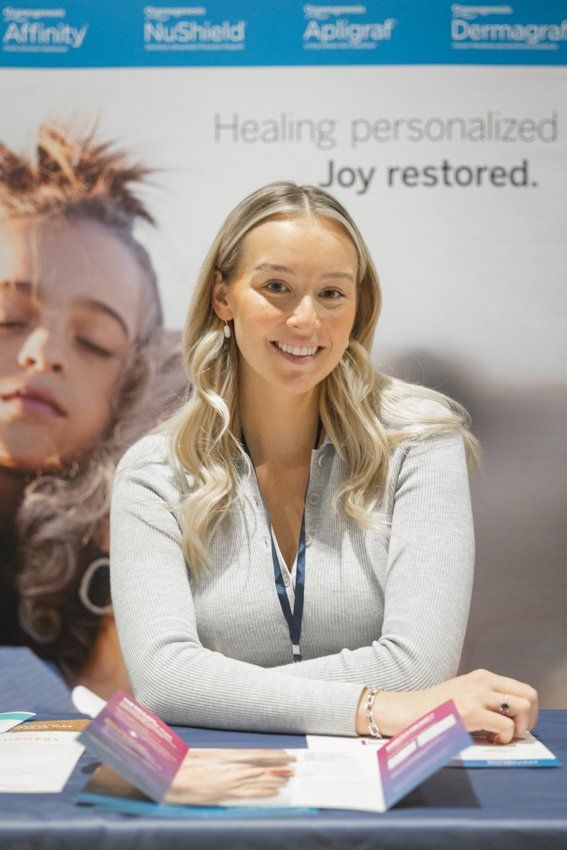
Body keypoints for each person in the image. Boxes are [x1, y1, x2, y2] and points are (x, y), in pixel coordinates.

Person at [110, 182, 537, 740]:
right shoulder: (153, 473)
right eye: (277, 287)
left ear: (359, 305)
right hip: (225, 784)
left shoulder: (422, 441)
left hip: (384, 791)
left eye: (332, 294)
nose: (305, 320)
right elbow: (165, 683)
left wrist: (219, 691)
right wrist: (377, 707)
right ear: (223, 298)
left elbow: (420, 669)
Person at [0, 124, 183, 697]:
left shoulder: (131, 558)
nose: (44, 353)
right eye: (8, 317)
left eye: (95, 341)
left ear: (133, 387)